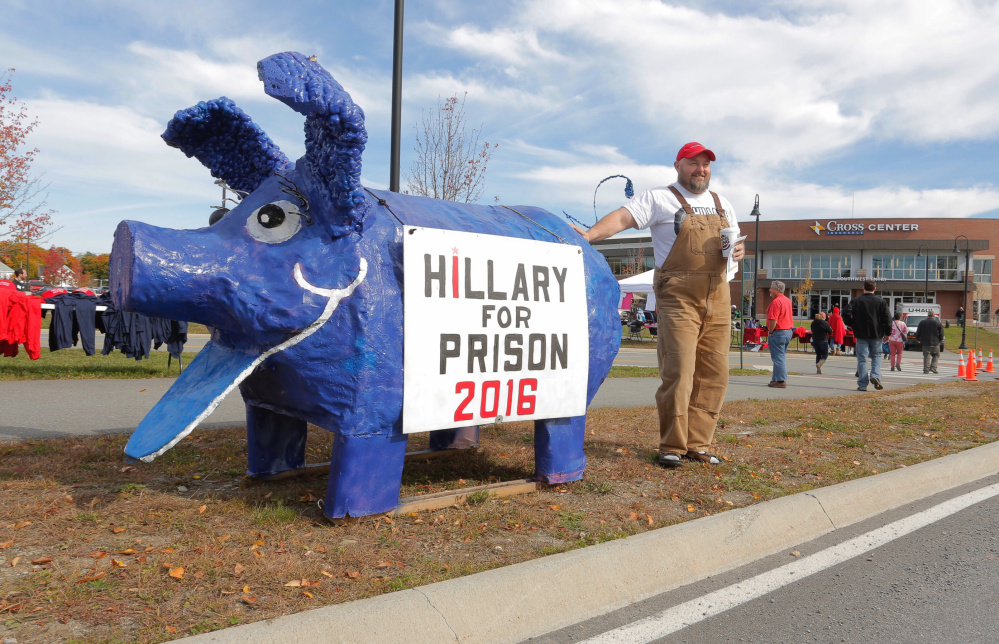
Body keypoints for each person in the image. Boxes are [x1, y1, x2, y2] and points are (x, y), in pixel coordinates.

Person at [570, 142, 744, 469]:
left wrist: (739, 254)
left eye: (706, 164)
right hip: (678, 296)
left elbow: (733, 244)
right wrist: (590, 235)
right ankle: (673, 445)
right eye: (694, 163)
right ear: (679, 165)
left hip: (719, 295)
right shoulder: (660, 198)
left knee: (715, 373)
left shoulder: (723, 204)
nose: (701, 169)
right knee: (679, 371)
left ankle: (700, 444)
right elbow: (624, 216)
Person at [843, 280, 892, 391]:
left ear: (863, 288)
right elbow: (887, 318)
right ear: (875, 289)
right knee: (876, 356)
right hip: (876, 333)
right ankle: (875, 376)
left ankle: (862, 384)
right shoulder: (881, 302)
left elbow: (846, 312)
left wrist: (850, 324)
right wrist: (888, 333)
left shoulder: (856, 301)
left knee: (862, 359)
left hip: (861, 333)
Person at [766, 281, 793, 387]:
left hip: (779, 331)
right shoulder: (787, 300)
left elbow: (773, 319)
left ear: (777, 290)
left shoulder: (776, 302)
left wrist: (771, 332)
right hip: (787, 331)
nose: (769, 289)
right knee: (779, 356)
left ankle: (781, 380)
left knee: (778, 357)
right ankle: (776, 378)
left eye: (771, 288)